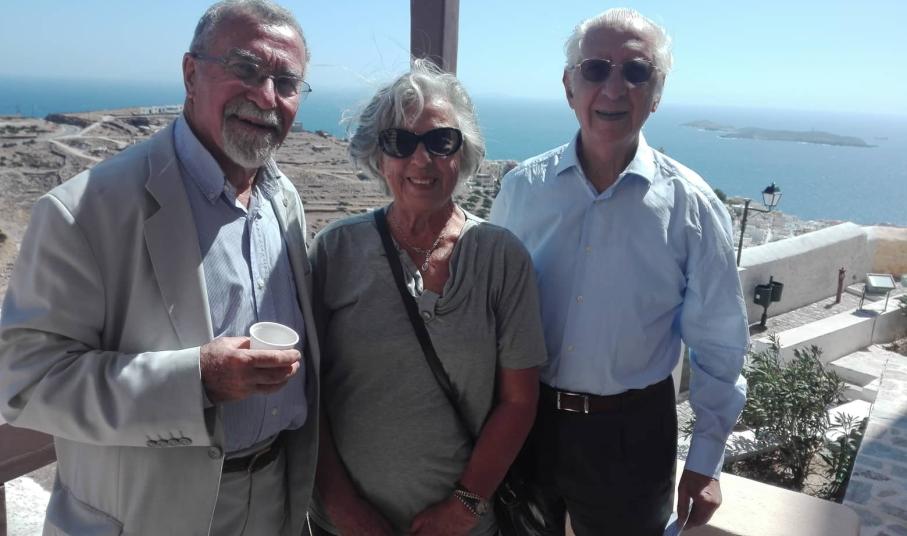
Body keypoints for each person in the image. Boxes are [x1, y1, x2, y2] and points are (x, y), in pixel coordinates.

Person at [0, 1, 320, 534]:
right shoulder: (85, 210)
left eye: (286, 82)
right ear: (191, 74)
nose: (266, 96)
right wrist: (196, 380)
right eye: (245, 69)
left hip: (275, 500)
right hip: (149, 517)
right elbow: (24, 381)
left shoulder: (282, 197)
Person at [490, 8, 749, 536]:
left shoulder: (692, 206)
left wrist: (706, 461)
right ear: (569, 86)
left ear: (657, 93)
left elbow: (720, 343)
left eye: (636, 71)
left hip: (633, 435)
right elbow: (488, 310)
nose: (614, 87)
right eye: (595, 69)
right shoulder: (522, 191)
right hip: (526, 418)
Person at [307, 59, 546, 536]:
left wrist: (463, 508)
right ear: (378, 156)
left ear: (464, 153)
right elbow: (307, 395)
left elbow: (519, 401)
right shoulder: (336, 250)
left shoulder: (500, 257)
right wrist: (343, 507)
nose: (421, 160)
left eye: (441, 141)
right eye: (400, 142)